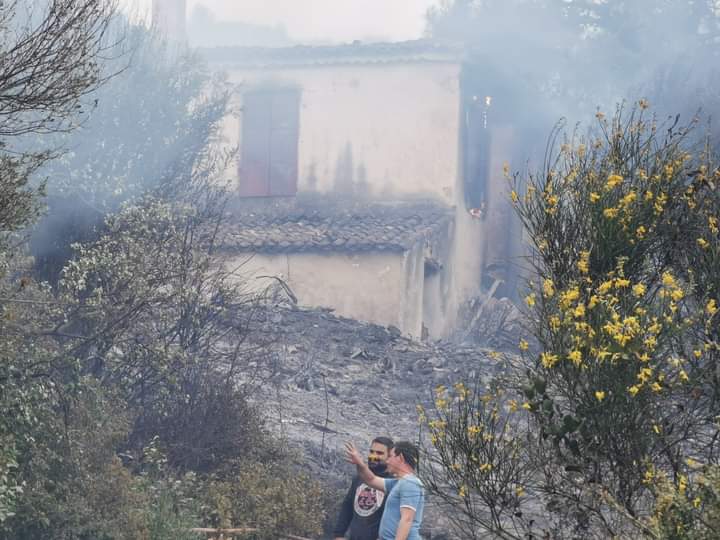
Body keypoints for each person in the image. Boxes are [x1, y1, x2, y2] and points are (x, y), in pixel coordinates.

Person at [345, 440, 425, 540]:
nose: (387, 461)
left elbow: (407, 519)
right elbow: (371, 479)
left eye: (390, 456)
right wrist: (359, 463)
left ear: (400, 458)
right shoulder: (398, 483)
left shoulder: (410, 483)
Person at [334, 436, 394, 540]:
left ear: (389, 457)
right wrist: (338, 535)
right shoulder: (359, 478)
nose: (373, 456)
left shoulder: (392, 483)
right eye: (372, 451)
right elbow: (347, 506)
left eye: (379, 453)